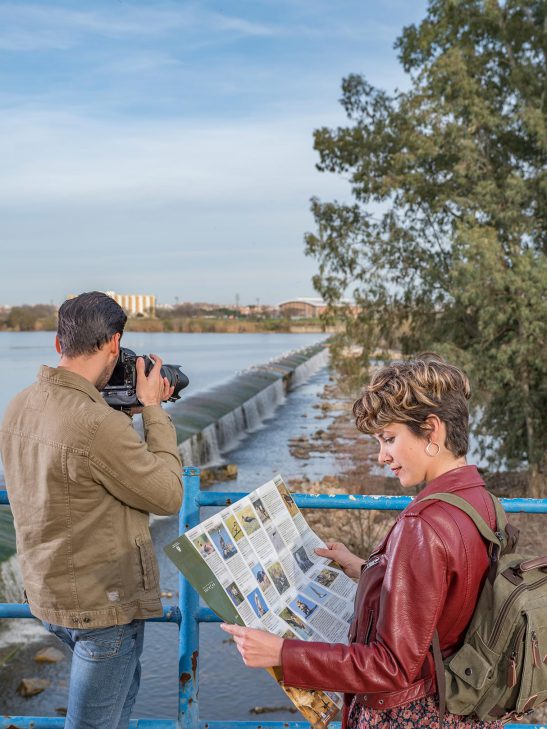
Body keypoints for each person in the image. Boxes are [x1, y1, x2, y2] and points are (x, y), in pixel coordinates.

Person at [221, 355, 504, 729]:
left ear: (432, 430)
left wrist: (282, 652)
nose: (381, 456)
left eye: (389, 439)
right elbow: (449, 595)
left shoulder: (422, 524)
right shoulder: (482, 500)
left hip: (409, 715)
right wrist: (369, 569)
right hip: (459, 706)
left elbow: (391, 666)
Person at [0, 291, 183, 729]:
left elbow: (81, 473)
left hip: (48, 595)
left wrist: (120, 410)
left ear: (58, 343)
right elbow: (168, 495)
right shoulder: (96, 424)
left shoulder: (19, 405)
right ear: (114, 343)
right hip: (103, 607)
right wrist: (153, 410)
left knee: (115, 711)